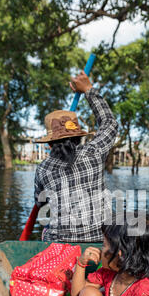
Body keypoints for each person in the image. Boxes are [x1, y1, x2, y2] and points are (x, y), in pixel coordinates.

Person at [34, 70, 118, 242]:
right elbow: (109, 123)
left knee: (46, 228)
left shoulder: (42, 169)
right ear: (80, 137)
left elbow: (40, 204)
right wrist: (88, 89)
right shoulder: (93, 152)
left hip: (60, 242)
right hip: (100, 239)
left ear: (50, 144)